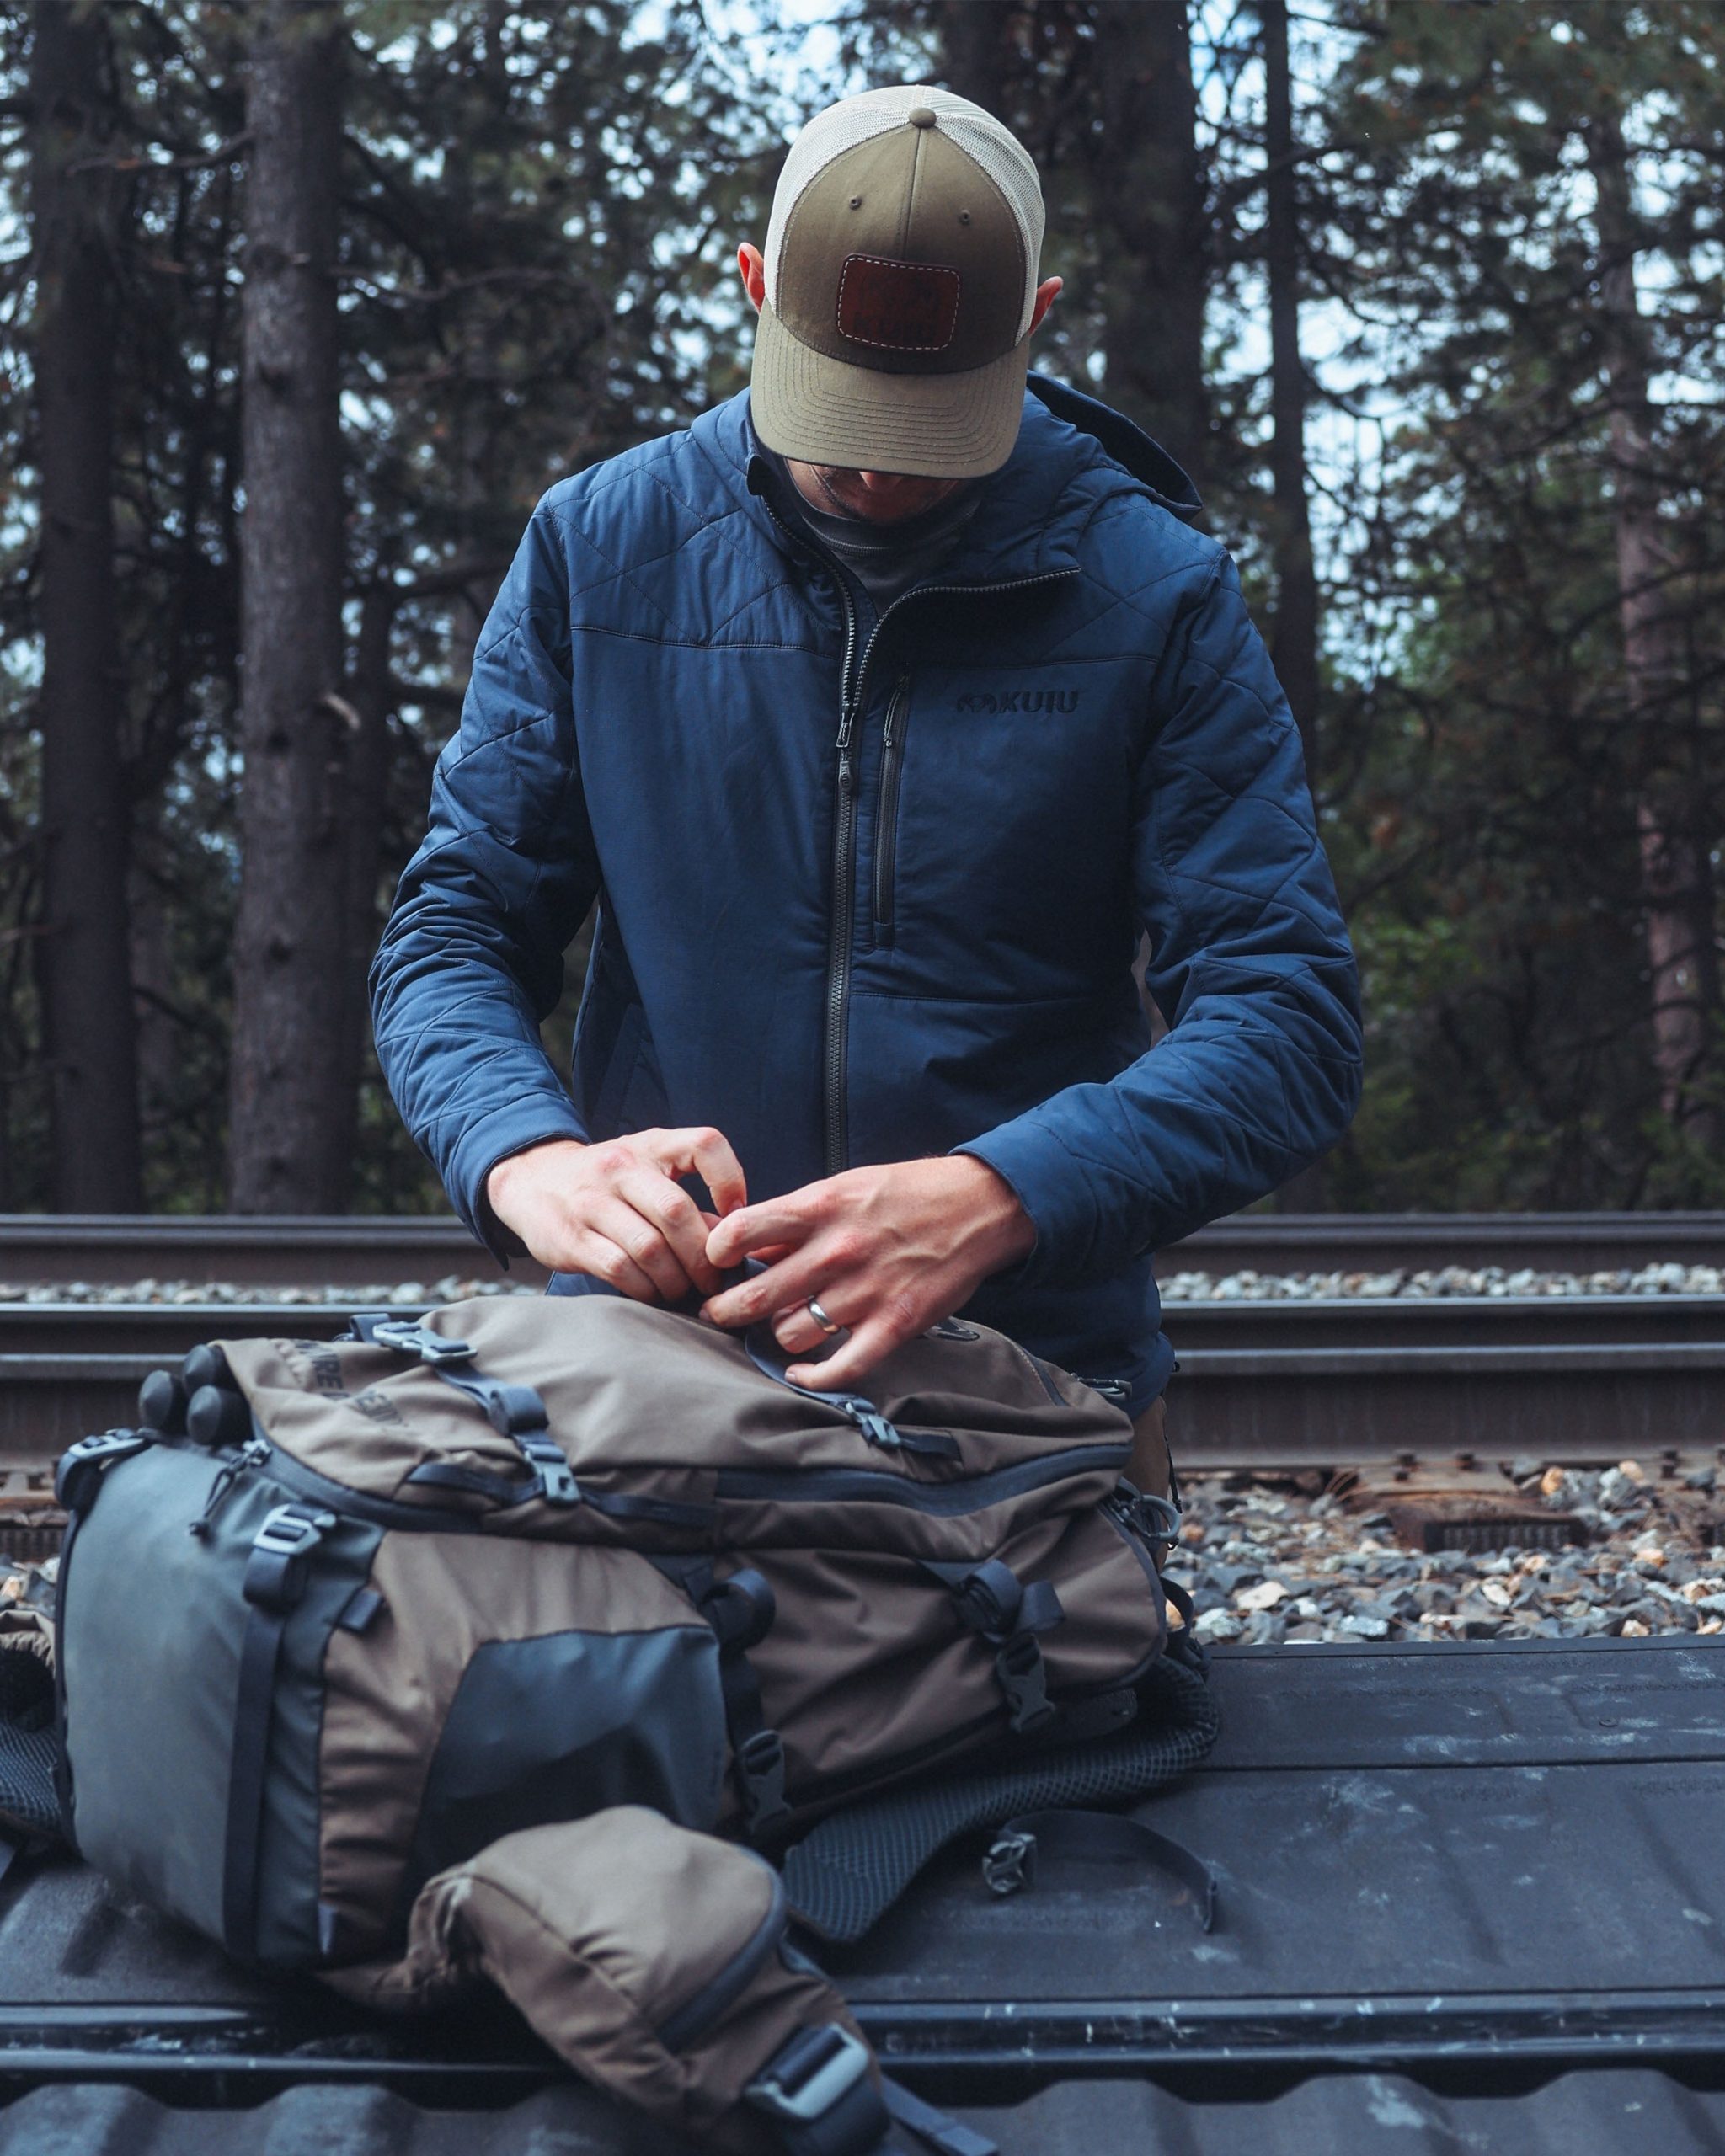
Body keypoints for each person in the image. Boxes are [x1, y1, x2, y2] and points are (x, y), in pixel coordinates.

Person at [371, 84, 1363, 1494]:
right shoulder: (603, 549)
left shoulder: (1157, 592)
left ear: (1036, 321)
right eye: (838, 404)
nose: (875, 463)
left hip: (1037, 1401)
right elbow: (454, 929)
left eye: (928, 419)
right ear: (755, 285)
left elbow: (1288, 1018)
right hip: (649, 1385)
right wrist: (523, 1157)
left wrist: (1002, 1196)